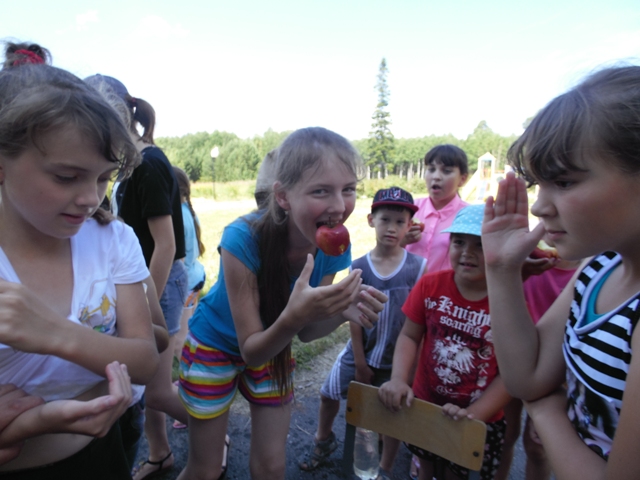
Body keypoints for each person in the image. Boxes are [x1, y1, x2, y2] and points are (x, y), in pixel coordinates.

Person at [177, 127, 388, 480]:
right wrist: (293, 319)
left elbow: (306, 332)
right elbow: (252, 350)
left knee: (272, 466)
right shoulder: (241, 238)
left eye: (348, 189)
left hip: (273, 348)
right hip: (215, 345)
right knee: (205, 468)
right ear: (283, 196)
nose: (340, 206)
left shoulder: (334, 246)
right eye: (321, 190)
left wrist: (339, 312)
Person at [0, 57, 159, 477]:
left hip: (100, 458)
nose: (92, 198)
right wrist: (35, 421)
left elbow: (145, 359)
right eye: (67, 177)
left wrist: (54, 333)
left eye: (104, 178)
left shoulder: (111, 240)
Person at [482, 65, 640, 480]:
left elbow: (533, 392)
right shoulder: (599, 268)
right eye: (539, 184)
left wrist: (547, 410)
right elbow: (527, 377)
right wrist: (501, 268)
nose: (539, 206)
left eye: (565, 182)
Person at [84, 74, 189, 479]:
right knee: (148, 393)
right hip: (137, 279)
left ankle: (213, 438)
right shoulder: (126, 165)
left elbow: (165, 245)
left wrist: (145, 311)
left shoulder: (148, 165)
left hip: (157, 280)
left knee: (157, 390)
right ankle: (160, 453)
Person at [299, 186, 427, 479]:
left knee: (393, 415)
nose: (391, 228)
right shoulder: (359, 267)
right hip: (361, 351)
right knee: (328, 393)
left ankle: (385, 468)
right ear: (371, 220)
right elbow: (354, 317)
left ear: (410, 226)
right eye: (385, 220)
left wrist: (410, 370)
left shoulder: (419, 268)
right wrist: (359, 361)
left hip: (396, 360)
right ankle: (323, 440)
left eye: (399, 222)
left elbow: (419, 323)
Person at [379, 204, 511, 480]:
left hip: (479, 419)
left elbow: (512, 373)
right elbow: (409, 335)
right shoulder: (430, 285)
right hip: (425, 405)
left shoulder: (509, 300)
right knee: (425, 465)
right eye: (459, 242)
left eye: (480, 244)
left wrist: (474, 413)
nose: (467, 252)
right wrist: (399, 379)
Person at [495, 244, 581, 480]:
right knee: (505, 435)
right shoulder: (523, 253)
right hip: (512, 359)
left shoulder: (586, 272)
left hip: (558, 370)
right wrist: (514, 272)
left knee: (538, 448)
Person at [403, 144, 469, 272]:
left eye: (447, 171)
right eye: (431, 169)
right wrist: (401, 242)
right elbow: (384, 253)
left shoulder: (468, 216)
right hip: (406, 283)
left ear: (462, 179)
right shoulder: (409, 209)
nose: (436, 176)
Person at [172, 166, 207, 362]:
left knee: (180, 339)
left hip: (184, 284)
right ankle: (196, 364)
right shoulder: (188, 211)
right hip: (196, 277)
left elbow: (179, 260)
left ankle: (188, 373)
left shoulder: (176, 217)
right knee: (191, 331)